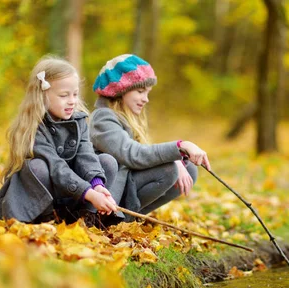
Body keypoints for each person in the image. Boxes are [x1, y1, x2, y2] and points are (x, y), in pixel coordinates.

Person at [0, 56, 118, 224]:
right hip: (46, 193)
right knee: (37, 167)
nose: (72, 101)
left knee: (107, 161)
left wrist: (97, 185)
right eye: (64, 95)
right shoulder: (33, 127)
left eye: (75, 94)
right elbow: (56, 168)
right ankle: (45, 217)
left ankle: (87, 216)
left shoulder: (78, 121)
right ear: (42, 95)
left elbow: (86, 155)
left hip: (73, 194)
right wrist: (89, 193)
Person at [89, 54, 211, 223]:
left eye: (147, 93)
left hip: (126, 184)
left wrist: (177, 159)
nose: (146, 99)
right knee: (169, 169)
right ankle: (112, 220)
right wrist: (180, 146)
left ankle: (129, 218)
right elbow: (132, 154)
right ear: (121, 90)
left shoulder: (127, 117)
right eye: (140, 91)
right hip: (108, 193)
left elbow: (143, 153)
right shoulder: (103, 118)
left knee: (187, 169)